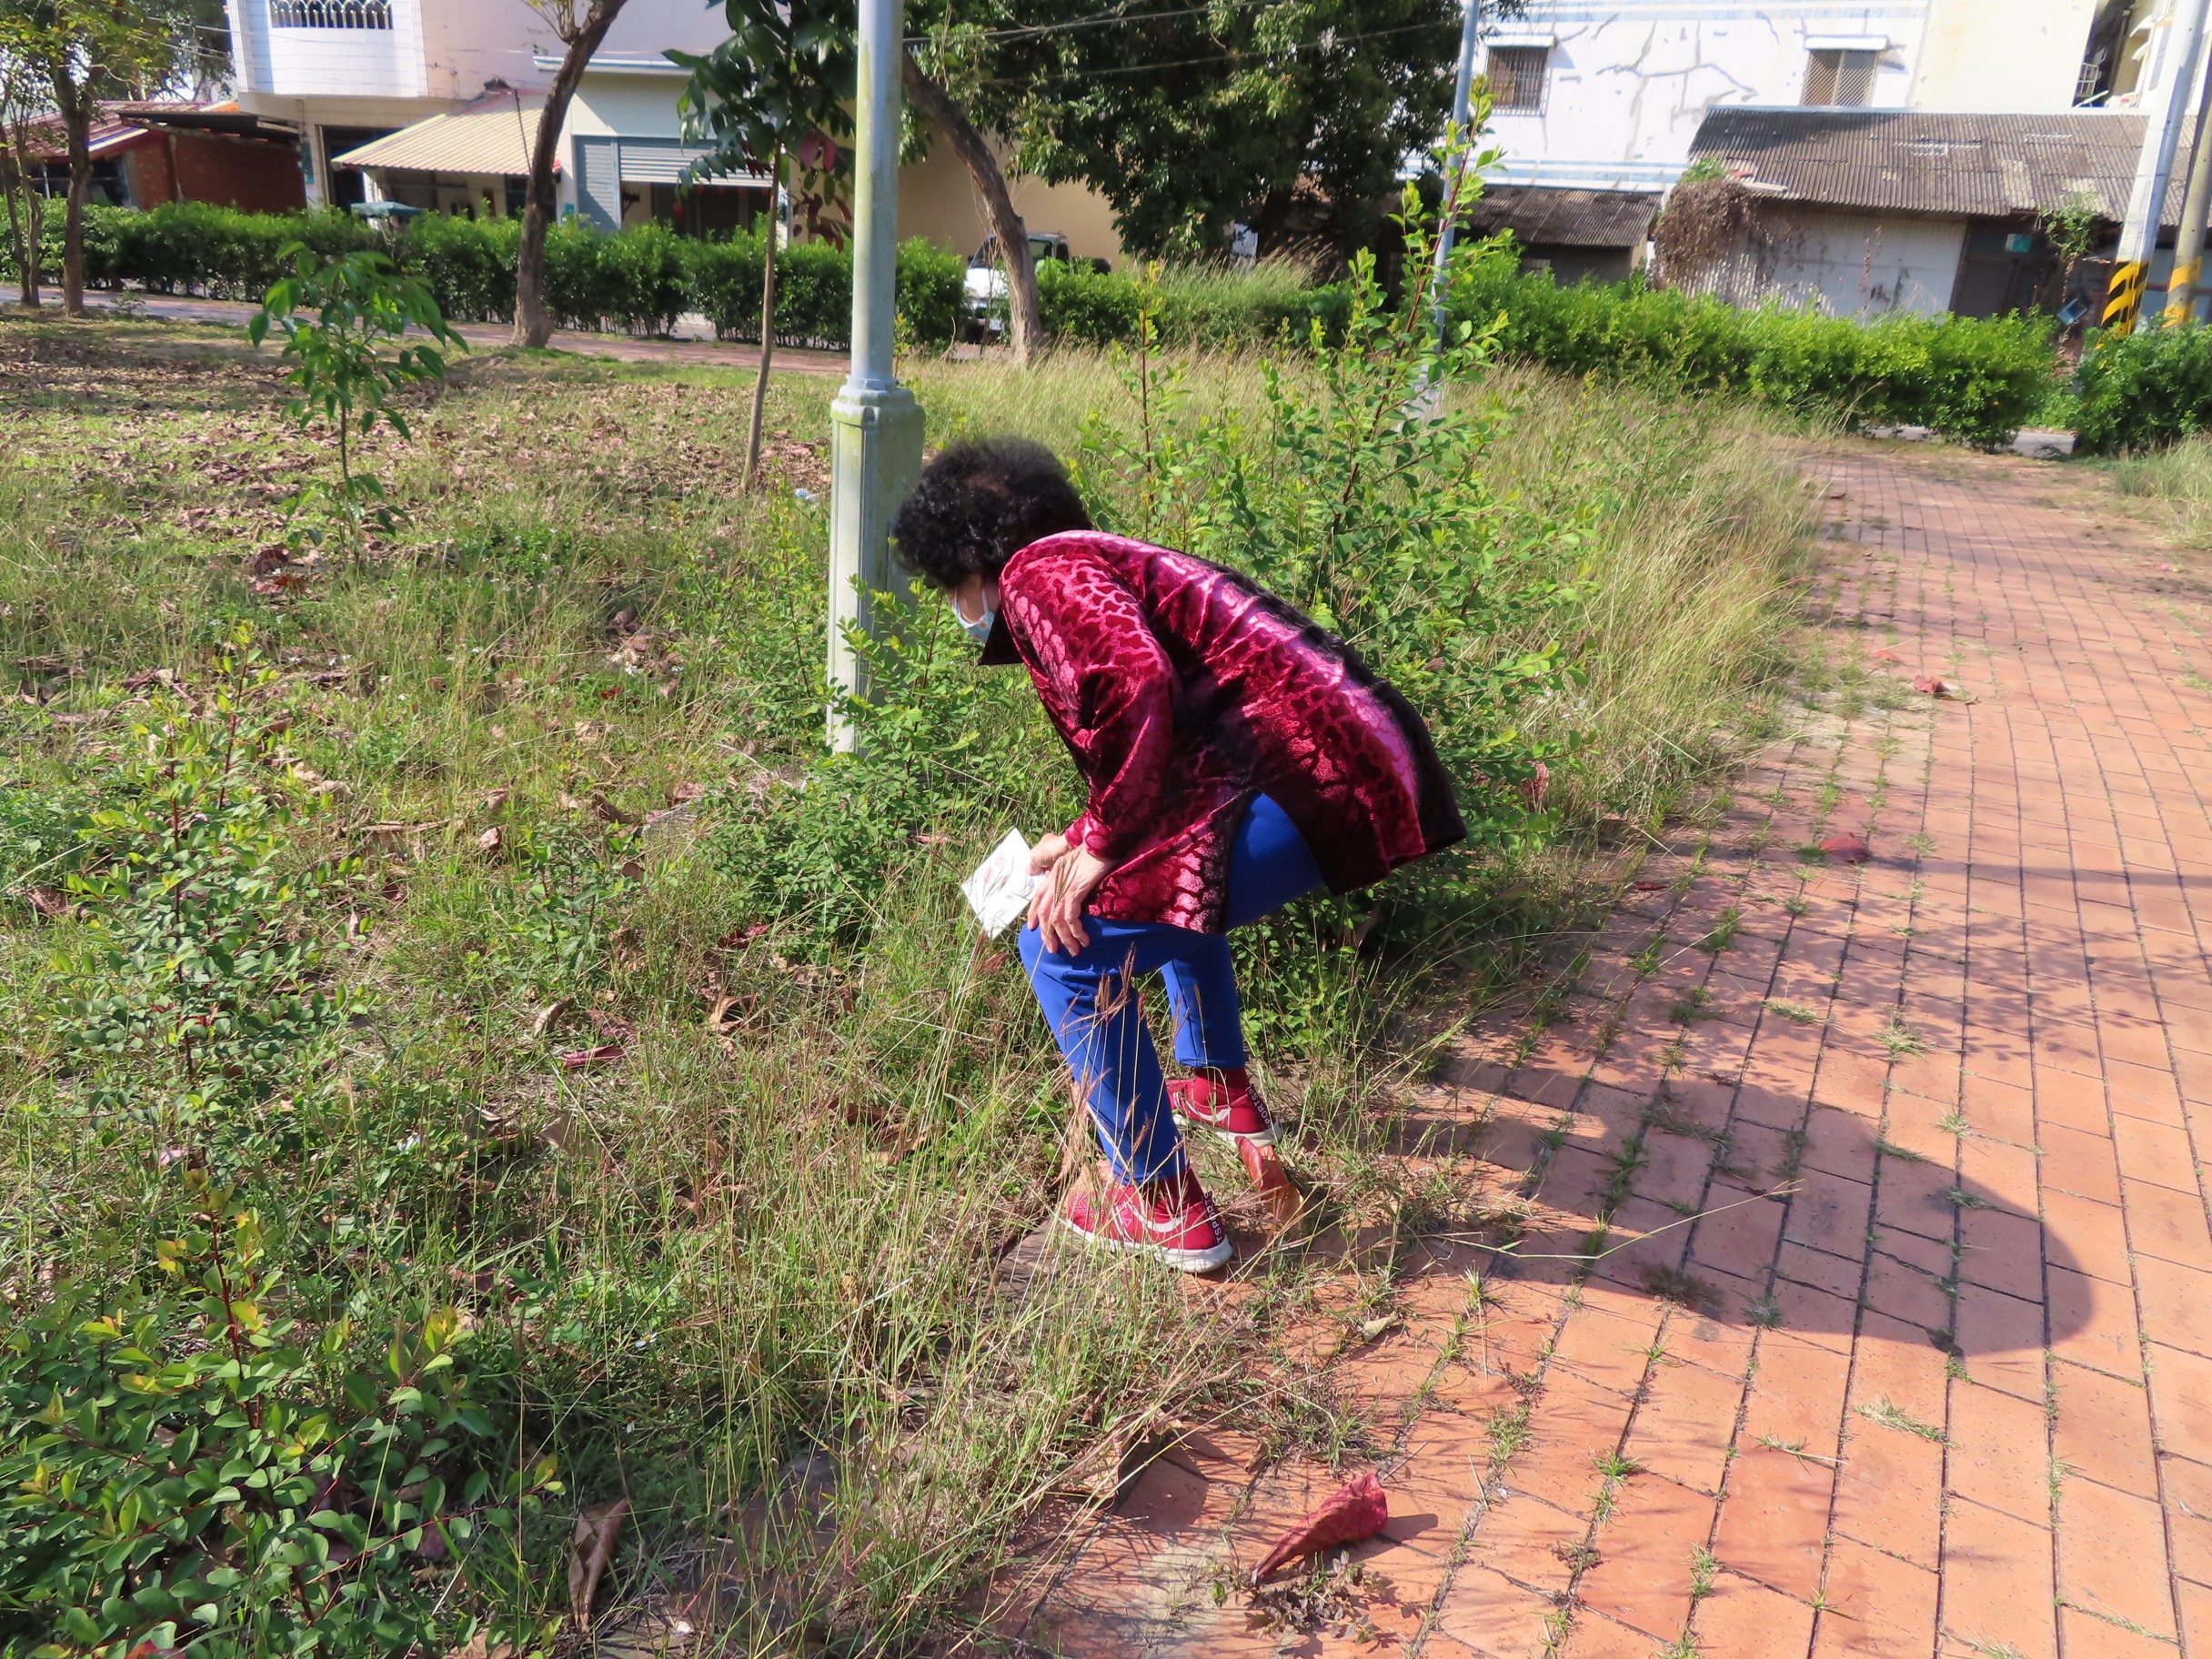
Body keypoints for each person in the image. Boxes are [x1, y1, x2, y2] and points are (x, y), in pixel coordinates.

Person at [890, 437, 1465, 1272]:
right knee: (1166, 892)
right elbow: (1164, 736)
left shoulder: (1034, 576)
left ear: (969, 554)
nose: (957, 604)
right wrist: (1085, 836)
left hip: (1307, 773)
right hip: (1338, 758)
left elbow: (1138, 685)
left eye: (949, 585)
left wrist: (1107, 844)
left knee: (1059, 948)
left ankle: (1157, 1201)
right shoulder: (1089, 558)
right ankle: (1212, 1080)